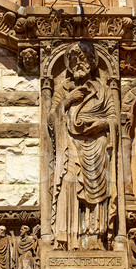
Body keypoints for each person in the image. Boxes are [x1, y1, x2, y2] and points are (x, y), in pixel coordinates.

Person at [48, 42, 118, 251]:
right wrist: (68, 101)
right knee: (69, 181)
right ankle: (68, 238)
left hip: (97, 145)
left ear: (91, 63)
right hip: (70, 143)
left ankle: (95, 237)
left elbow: (114, 118)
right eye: (75, 61)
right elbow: (51, 120)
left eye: (84, 60)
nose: (79, 65)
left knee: (98, 189)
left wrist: (103, 123)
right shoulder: (64, 90)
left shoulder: (103, 91)